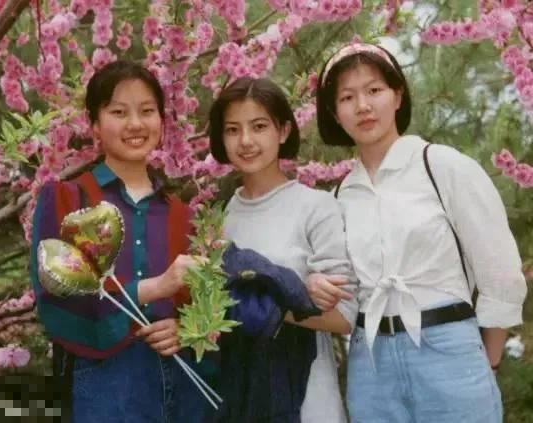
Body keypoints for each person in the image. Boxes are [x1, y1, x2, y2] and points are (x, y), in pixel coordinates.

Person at [315, 42, 528, 422]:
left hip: (450, 354)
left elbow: (500, 273)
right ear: (335, 113)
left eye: (374, 90)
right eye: (347, 97)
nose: (363, 105)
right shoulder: (338, 197)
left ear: (398, 95)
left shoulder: (443, 167)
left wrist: (488, 362)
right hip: (371, 366)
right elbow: (339, 290)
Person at [30, 60, 210, 422]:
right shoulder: (66, 199)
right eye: (118, 112)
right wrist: (155, 287)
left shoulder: (183, 215)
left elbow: (203, 303)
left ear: (162, 120)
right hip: (103, 384)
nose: (135, 124)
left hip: (182, 383)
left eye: (147, 111)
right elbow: (54, 297)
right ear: (94, 124)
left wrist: (187, 329)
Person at [209, 76, 358, 422]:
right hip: (239, 396)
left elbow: (344, 317)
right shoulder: (218, 218)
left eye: (259, 126)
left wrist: (257, 302)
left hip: (306, 397)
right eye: (232, 130)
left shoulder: (315, 207)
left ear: (284, 130)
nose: (246, 141)